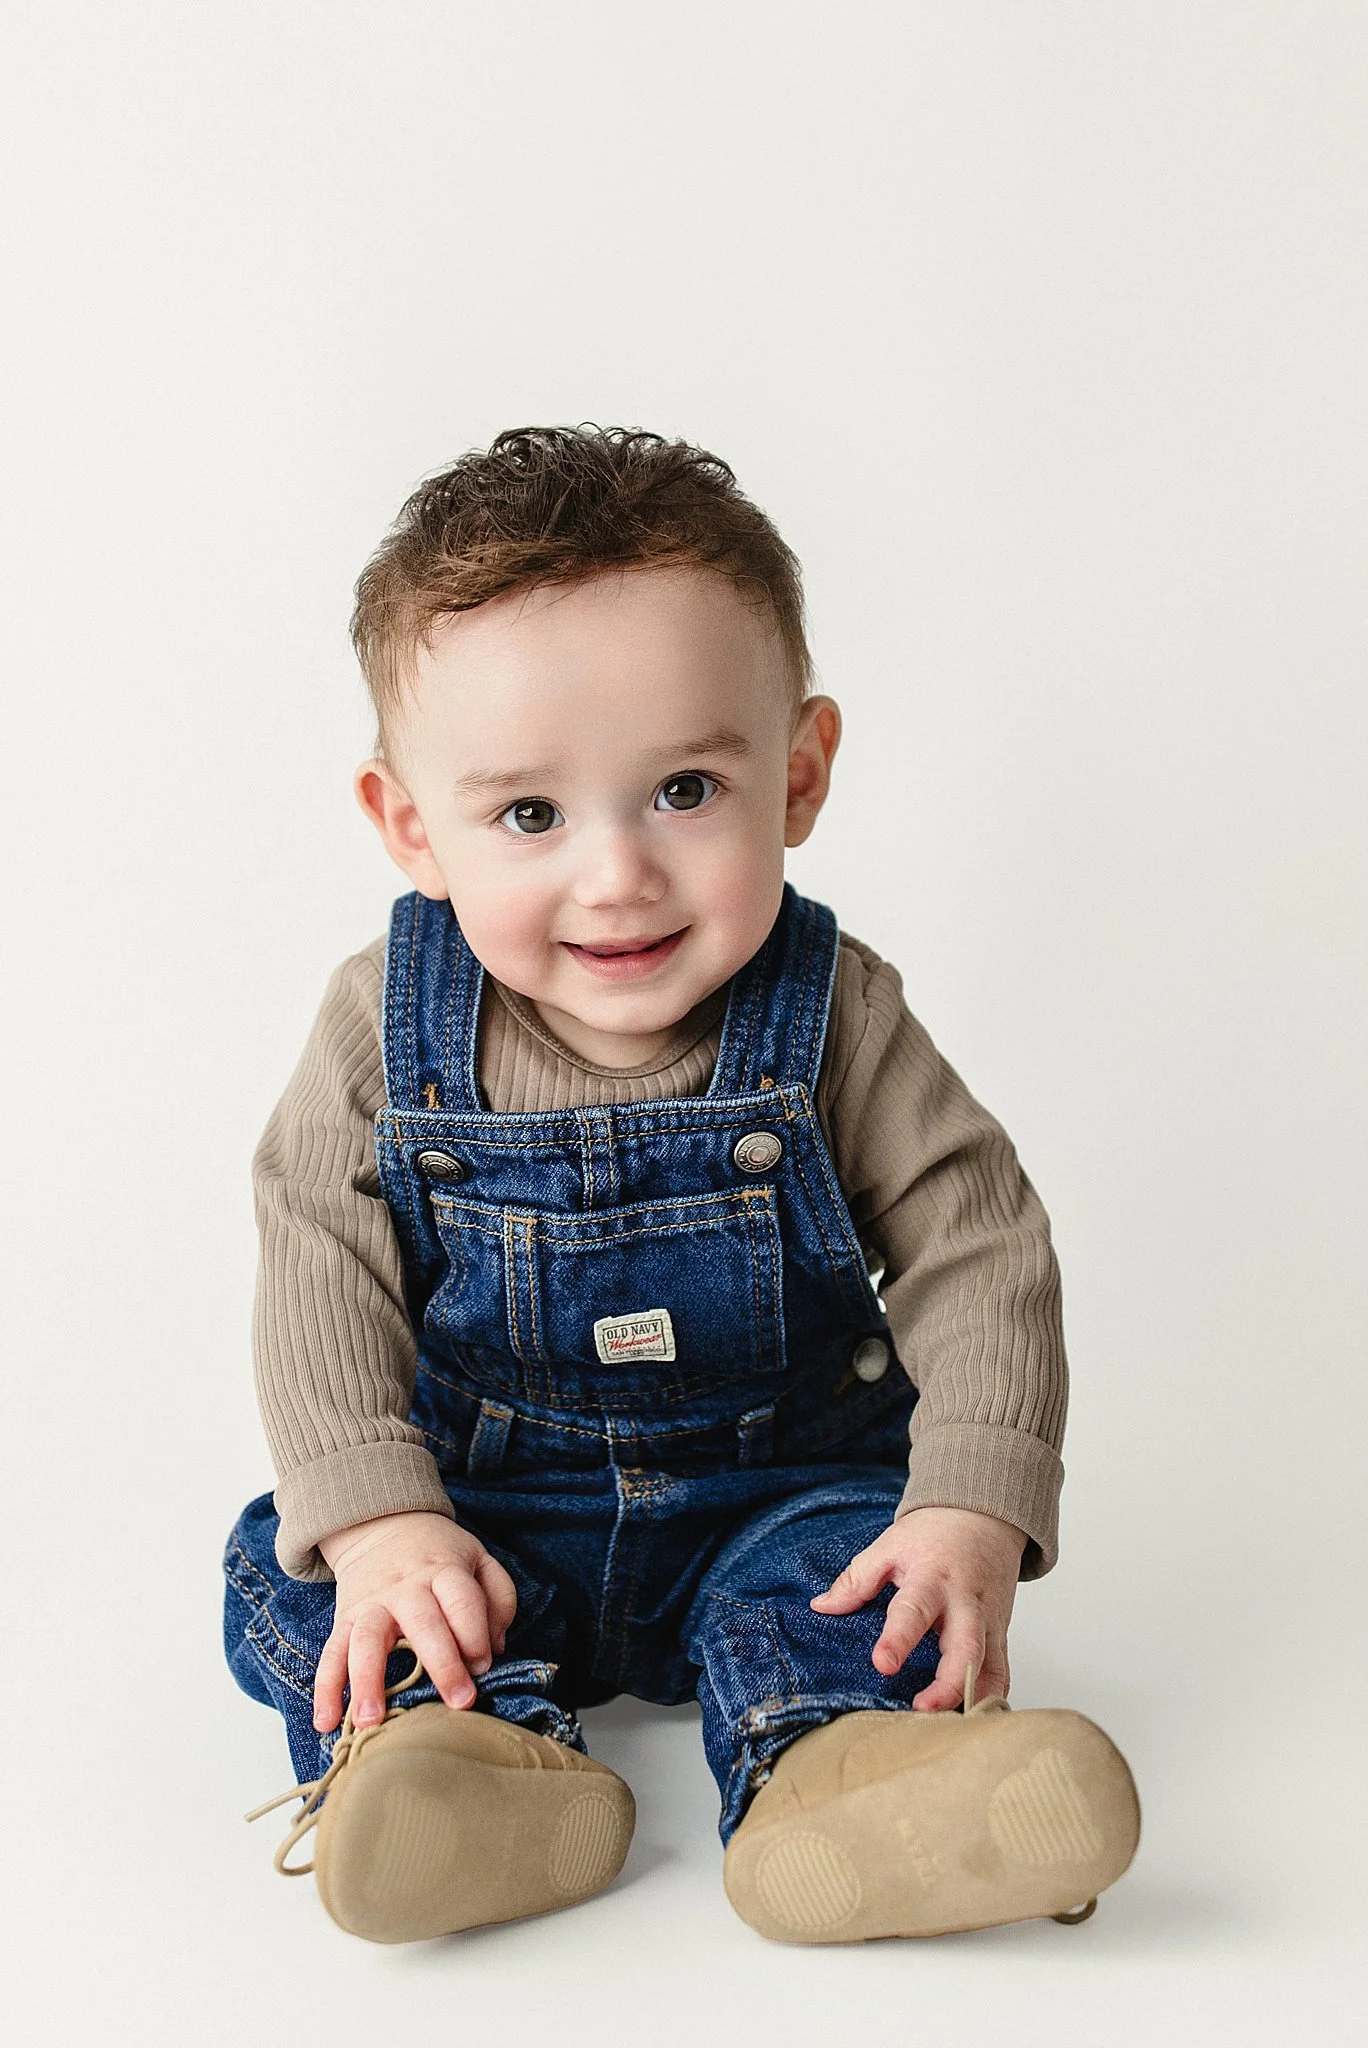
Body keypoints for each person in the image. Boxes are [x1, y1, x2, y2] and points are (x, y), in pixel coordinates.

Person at [223, 425, 1139, 1945]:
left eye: (686, 790)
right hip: (487, 1516)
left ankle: (840, 1777)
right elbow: (316, 1253)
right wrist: (383, 1519)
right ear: (410, 826)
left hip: (773, 1492)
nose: (617, 876)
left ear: (800, 772)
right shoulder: (382, 1024)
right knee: (292, 1552)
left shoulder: (832, 1009)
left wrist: (973, 1497)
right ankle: (462, 1764)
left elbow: (981, 1245)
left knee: (848, 1581)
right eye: (530, 814)